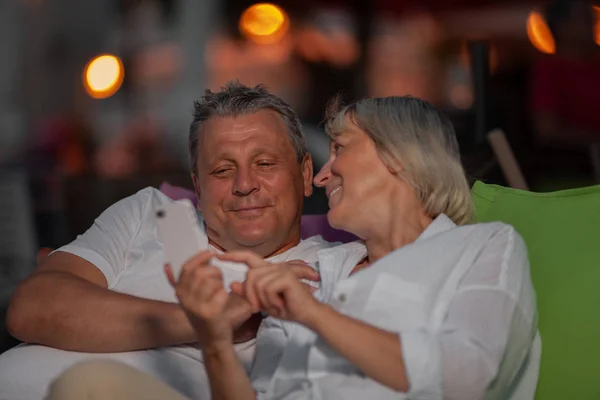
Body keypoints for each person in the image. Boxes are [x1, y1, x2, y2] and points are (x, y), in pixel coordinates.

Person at [45, 96, 540, 400]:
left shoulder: (482, 246)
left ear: (401, 158)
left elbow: (470, 379)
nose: (324, 175)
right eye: (221, 171)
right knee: (88, 387)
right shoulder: (320, 268)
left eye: (340, 150)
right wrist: (215, 338)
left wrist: (315, 316)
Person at [0, 81, 337, 400]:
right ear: (198, 185)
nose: (245, 184)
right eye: (222, 170)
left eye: (264, 164)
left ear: (305, 174)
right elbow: (30, 308)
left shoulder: (329, 268)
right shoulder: (150, 212)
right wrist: (209, 319)